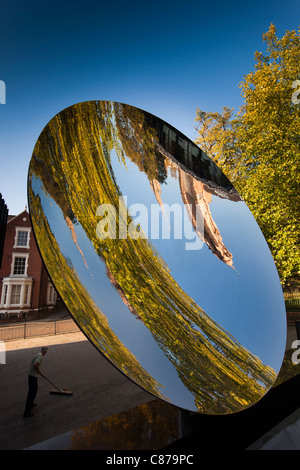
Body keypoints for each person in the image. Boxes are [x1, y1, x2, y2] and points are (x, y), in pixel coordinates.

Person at [23, 346, 48, 418]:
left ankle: (31, 403)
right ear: (45, 351)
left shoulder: (38, 354)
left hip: (32, 376)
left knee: (35, 389)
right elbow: (35, 364)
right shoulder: (40, 356)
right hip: (32, 376)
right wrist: (38, 371)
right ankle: (27, 412)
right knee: (31, 393)